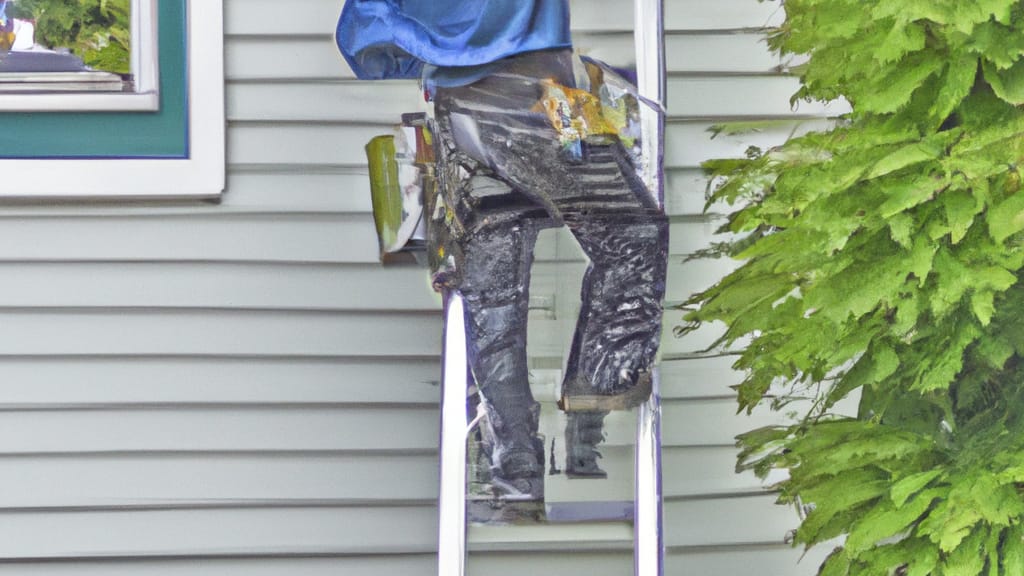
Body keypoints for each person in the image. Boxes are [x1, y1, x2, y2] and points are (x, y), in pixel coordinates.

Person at [337, 0, 668, 499]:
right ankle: (599, 381)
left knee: (496, 285)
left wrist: (436, 45)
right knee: (633, 232)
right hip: (532, 94)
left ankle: (515, 467)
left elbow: (363, 32)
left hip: (455, 108)